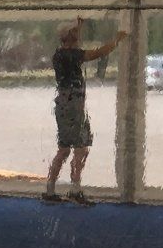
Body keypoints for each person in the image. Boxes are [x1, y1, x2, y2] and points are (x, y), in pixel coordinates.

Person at [44, 16, 126, 205]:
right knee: (78, 148)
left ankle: (51, 189)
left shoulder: (59, 54)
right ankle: (74, 189)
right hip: (73, 106)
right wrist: (117, 40)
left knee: (67, 148)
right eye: (75, 32)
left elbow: (76, 42)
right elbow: (98, 53)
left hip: (68, 105)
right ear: (69, 36)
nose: (78, 35)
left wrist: (78, 25)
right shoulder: (71, 55)